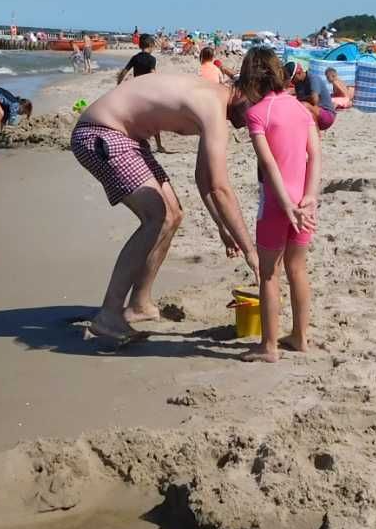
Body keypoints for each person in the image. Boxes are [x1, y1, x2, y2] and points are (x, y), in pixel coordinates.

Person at [70, 72, 258, 346]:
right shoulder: (212, 104)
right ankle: (109, 313)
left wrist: (222, 226)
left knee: (172, 214)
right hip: (100, 132)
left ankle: (139, 304)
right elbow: (220, 188)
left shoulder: (216, 104)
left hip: (129, 138)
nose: (255, 118)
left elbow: (203, 178)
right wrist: (251, 252)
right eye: (257, 106)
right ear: (246, 90)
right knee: (156, 216)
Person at [236, 48, 319, 362]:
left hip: (276, 204)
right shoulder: (301, 109)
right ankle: (300, 337)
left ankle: (269, 346)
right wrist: (308, 198)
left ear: (252, 80)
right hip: (305, 202)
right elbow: (315, 156)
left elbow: (269, 165)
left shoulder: (257, 114)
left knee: (269, 273)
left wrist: (285, 206)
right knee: (297, 268)